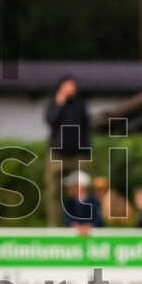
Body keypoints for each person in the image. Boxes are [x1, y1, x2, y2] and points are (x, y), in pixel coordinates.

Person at [44, 76, 91, 227]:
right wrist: (59, 103)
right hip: (57, 154)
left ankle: (80, 222)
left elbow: (85, 128)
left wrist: (86, 151)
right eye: (68, 86)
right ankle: (54, 225)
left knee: (80, 191)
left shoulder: (80, 105)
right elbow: (50, 120)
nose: (72, 89)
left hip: (77, 154)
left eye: (73, 86)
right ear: (61, 87)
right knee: (53, 191)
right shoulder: (53, 103)